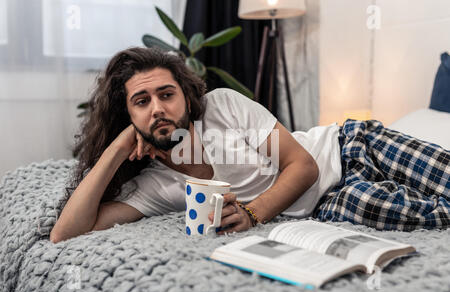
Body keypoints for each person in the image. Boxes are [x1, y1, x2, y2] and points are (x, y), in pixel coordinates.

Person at [50, 47, 449, 243]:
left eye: (166, 94)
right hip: (327, 205)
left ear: (185, 97)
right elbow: (65, 234)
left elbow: (303, 166)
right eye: (141, 102)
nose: (157, 108)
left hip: (348, 147)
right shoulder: (154, 186)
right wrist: (117, 149)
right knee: (434, 216)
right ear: (129, 117)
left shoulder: (223, 106)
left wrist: (253, 214)